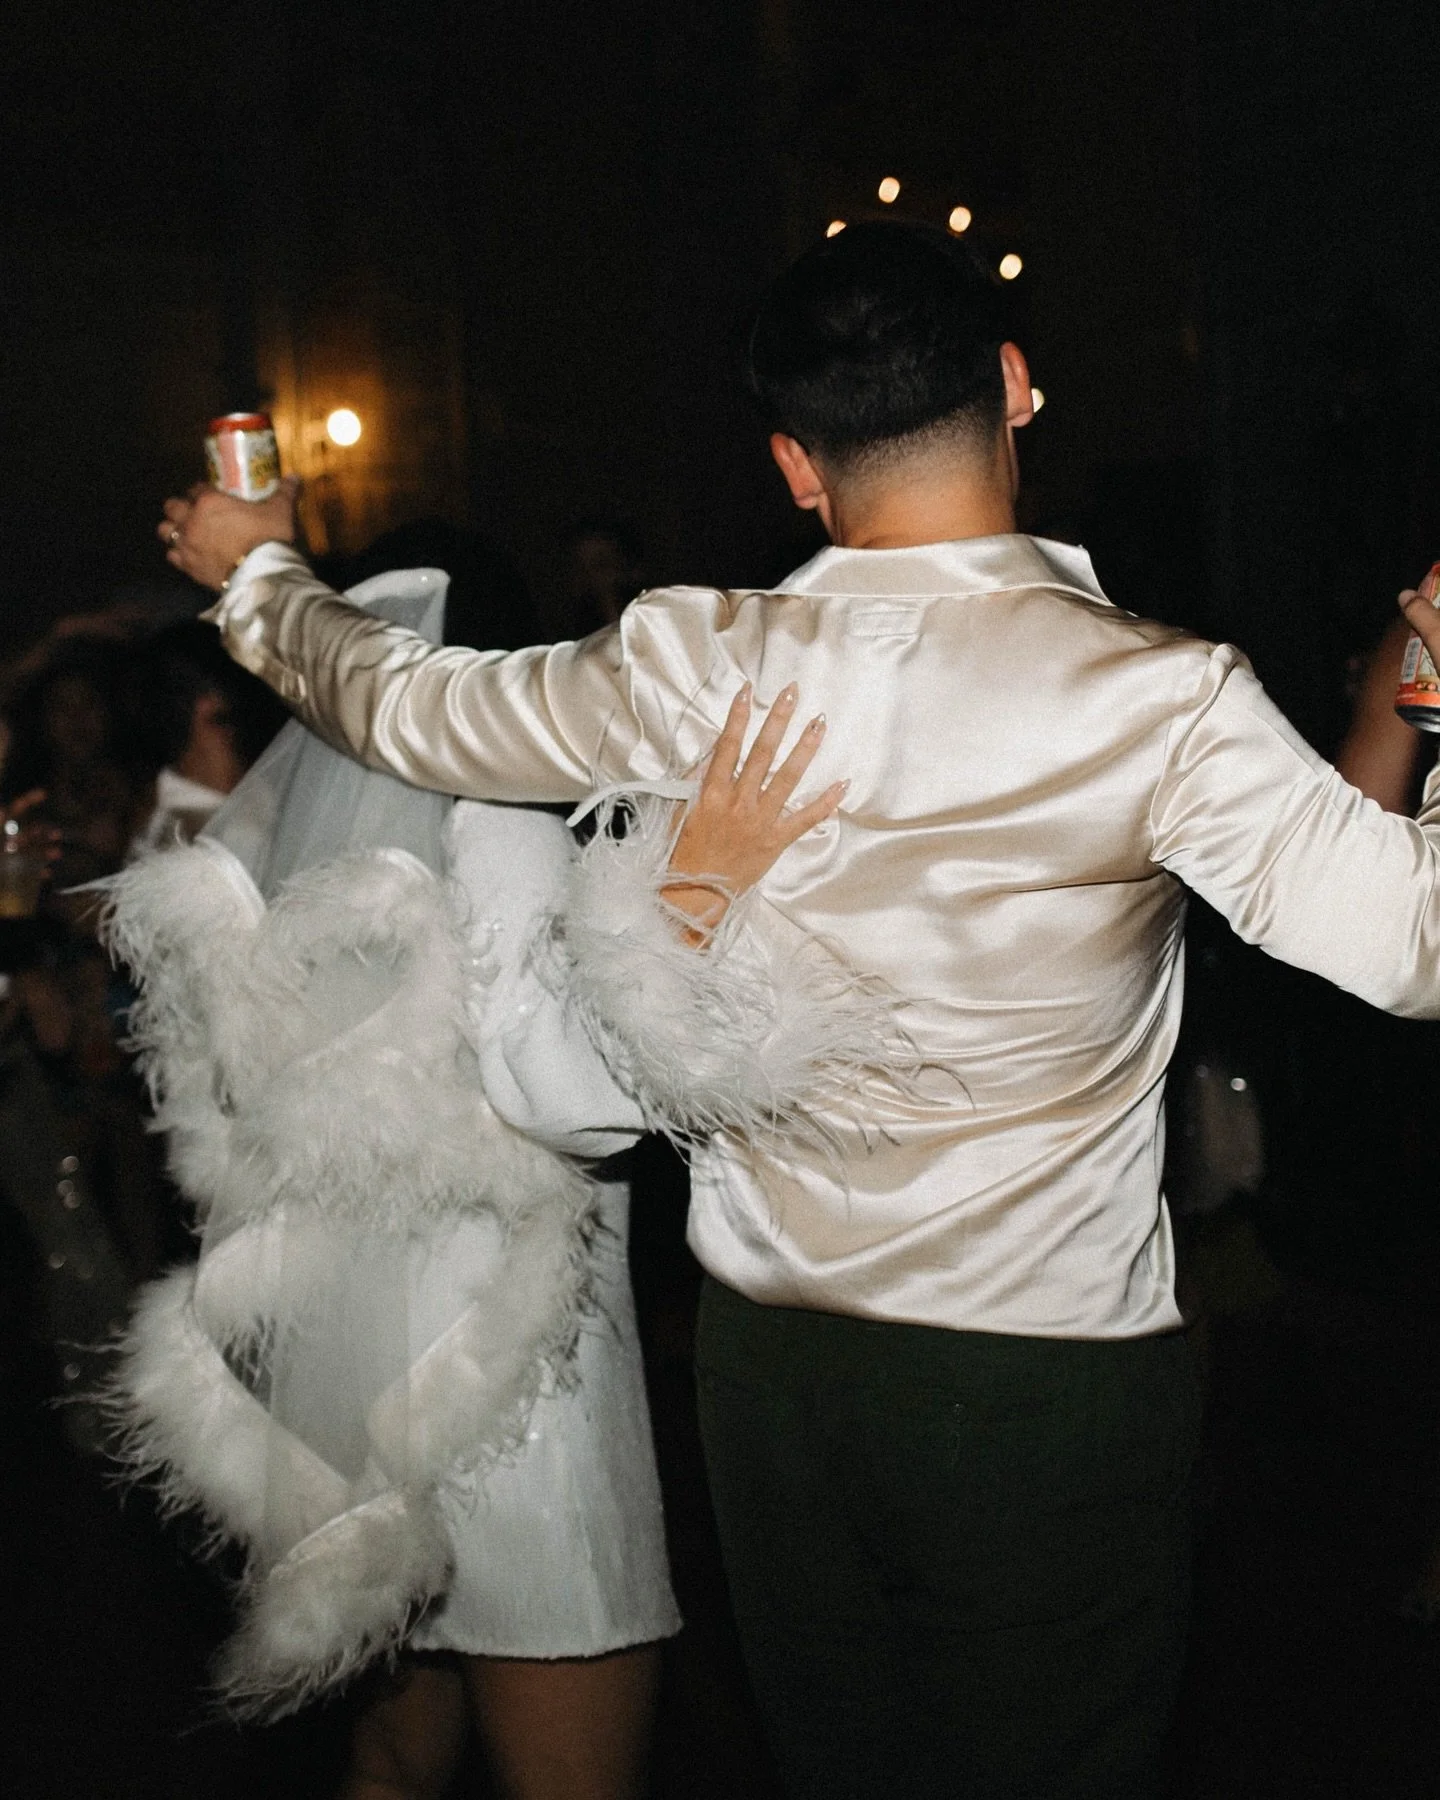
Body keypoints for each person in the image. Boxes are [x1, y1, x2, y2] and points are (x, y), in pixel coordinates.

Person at [159, 219, 1440, 1800]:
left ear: (794, 465)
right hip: (1049, 1386)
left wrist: (264, 574)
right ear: (1018, 386)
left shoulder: (692, 659)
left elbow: (408, 705)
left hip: (777, 1385)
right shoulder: (1160, 700)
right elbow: (1411, 949)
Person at [105, 563, 845, 1800]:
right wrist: (695, 892)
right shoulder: (504, 822)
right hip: (526, 1397)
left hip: (369, 1389)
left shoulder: (301, 844)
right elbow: (586, 1101)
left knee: (394, 1761)